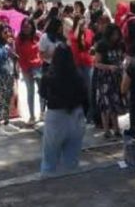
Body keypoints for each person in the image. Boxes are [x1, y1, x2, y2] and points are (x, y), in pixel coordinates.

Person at [40, 43, 88, 176]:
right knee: (72, 160)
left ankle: (48, 181)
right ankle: (70, 183)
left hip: (56, 115)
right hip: (76, 114)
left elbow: (43, 94)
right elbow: (85, 96)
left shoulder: (48, 76)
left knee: (49, 157)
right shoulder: (78, 76)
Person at [94, 23, 125, 139]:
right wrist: (109, 67)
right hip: (105, 78)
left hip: (117, 77)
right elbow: (96, 63)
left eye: (117, 34)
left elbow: (122, 57)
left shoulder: (120, 45)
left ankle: (116, 128)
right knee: (105, 104)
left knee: (115, 103)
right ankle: (106, 130)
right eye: (113, 35)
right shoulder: (102, 45)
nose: (115, 37)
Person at [0, 24, 19, 135]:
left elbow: (12, 58)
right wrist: (6, 48)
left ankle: (6, 122)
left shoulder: (7, 44)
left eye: (9, 32)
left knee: (7, 99)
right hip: (0, 76)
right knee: (0, 100)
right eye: (5, 32)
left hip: (9, 74)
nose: (8, 34)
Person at [16, 18, 44, 126]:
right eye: (24, 27)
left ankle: (42, 112)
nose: (26, 29)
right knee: (30, 92)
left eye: (28, 26)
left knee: (42, 91)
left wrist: (40, 62)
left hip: (38, 66)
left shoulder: (38, 36)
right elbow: (18, 54)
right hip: (26, 68)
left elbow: (42, 51)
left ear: (32, 26)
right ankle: (32, 115)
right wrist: (22, 67)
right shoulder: (19, 38)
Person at [69, 15, 95, 121]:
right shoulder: (72, 32)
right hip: (77, 63)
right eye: (81, 23)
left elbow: (89, 44)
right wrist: (78, 27)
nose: (83, 25)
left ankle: (90, 114)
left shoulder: (89, 32)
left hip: (87, 62)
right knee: (79, 89)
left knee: (89, 89)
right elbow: (74, 38)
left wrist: (83, 32)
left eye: (84, 23)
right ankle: (81, 113)